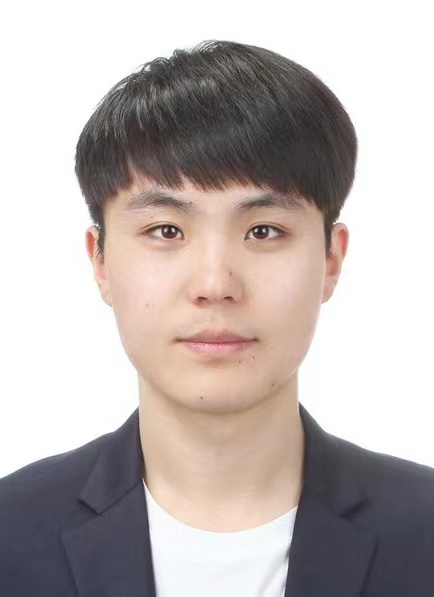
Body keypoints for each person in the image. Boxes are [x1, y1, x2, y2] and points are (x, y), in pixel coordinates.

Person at [0, 39, 433, 597]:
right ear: (100, 261)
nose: (214, 285)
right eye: (166, 231)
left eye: (263, 231)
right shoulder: (11, 536)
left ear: (331, 260)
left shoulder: (423, 531)